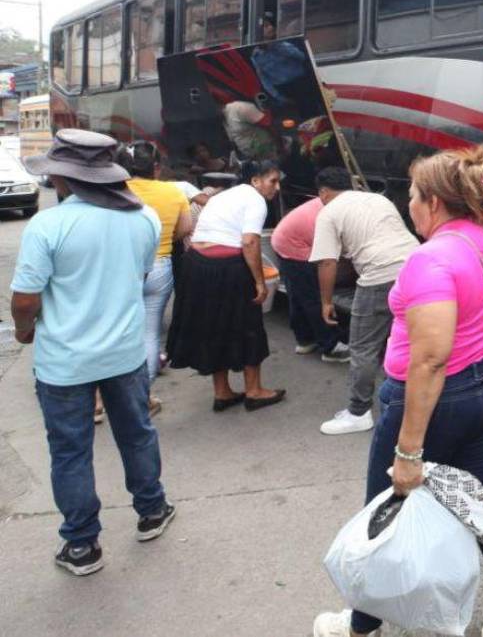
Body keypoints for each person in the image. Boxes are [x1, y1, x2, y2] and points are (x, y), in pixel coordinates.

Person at [313, 145, 483, 637]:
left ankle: (361, 626)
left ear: (433, 202)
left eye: (412, 195)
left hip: (438, 401)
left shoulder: (429, 259)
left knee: (385, 510)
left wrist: (409, 451)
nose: (407, 205)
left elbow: (430, 359)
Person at [9, 129, 177, 576]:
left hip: (63, 363)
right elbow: (140, 277)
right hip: (124, 354)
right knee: (136, 434)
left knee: (71, 452)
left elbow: (25, 300)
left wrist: (24, 332)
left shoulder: (49, 225)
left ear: (66, 177)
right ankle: (152, 510)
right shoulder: (143, 218)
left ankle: (83, 545)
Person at [165, 160, 287, 411]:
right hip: (226, 266)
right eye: (272, 181)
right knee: (249, 326)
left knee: (213, 326)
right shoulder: (255, 200)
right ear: (255, 181)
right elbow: (250, 242)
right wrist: (259, 283)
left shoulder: (223, 196)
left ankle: (222, 392)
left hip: (196, 265)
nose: (277, 188)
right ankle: (254, 391)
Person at [310, 167, 417, 436]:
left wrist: (326, 302)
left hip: (379, 276)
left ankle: (358, 412)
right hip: (417, 269)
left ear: (323, 192)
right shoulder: (378, 199)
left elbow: (327, 262)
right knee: (407, 341)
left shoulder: (328, 212)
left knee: (363, 347)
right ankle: (409, 405)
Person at [121, 141, 192, 412]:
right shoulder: (173, 192)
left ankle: (104, 398)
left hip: (122, 269)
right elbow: (185, 229)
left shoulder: (117, 190)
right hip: (160, 265)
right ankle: (144, 397)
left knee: (119, 330)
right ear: (157, 168)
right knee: (150, 334)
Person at [270, 193, 349, 362]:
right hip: (294, 247)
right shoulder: (330, 215)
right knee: (314, 298)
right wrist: (327, 301)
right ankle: (331, 347)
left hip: (283, 241)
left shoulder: (328, 201)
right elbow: (327, 262)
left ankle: (305, 340)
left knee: (299, 295)